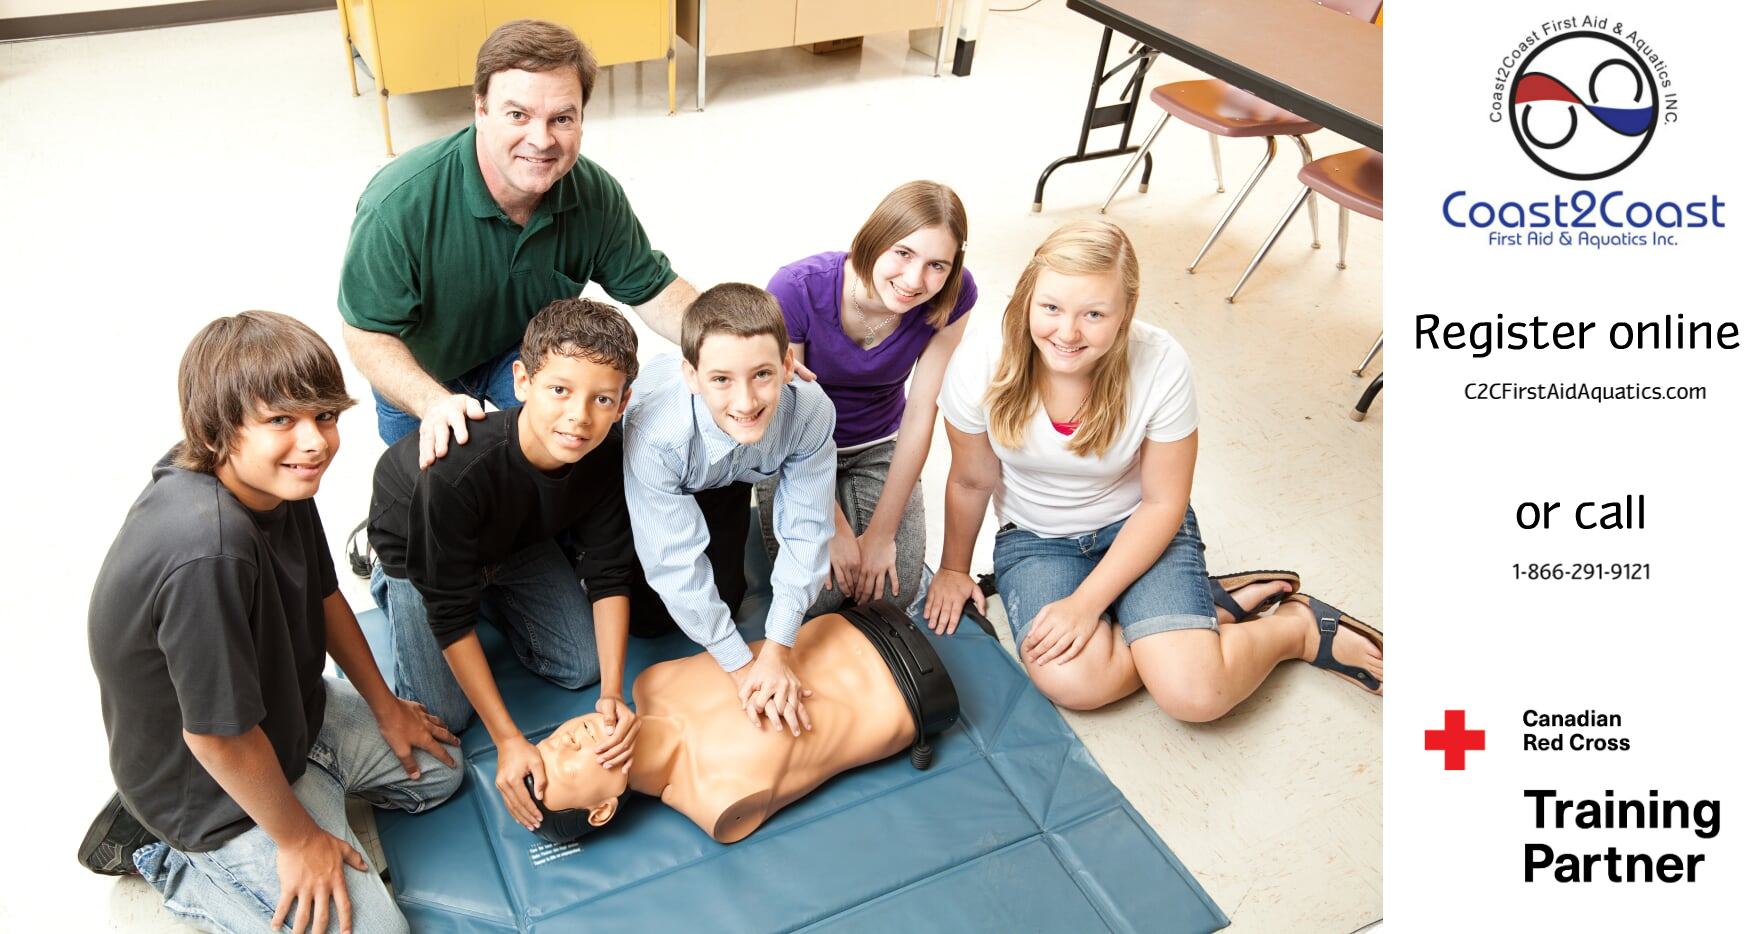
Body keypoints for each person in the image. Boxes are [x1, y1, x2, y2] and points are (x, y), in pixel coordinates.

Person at [82, 312, 462, 934]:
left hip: (285, 713)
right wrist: (299, 840)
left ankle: (306, 783)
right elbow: (216, 739)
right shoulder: (208, 550)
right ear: (216, 430)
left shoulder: (276, 481)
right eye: (281, 420)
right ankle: (167, 855)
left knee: (442, 775)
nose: (313, 442)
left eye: (325, 416)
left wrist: (386, 704)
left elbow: (324, 595)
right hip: (207, 784)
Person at [924, 220, 1384, 722]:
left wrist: (1085, 604)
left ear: (1126, 312)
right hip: (1037, 539)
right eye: (1051, 307)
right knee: (1075, 683)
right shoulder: (982, 360)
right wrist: (952, 568)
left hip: (1139, 525)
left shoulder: (1161, 363)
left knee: (1196, 697)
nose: (1068, 333)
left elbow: (1164, 501)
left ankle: (1295, 629)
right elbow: (971, 479)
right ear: (1028, 298)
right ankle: (1194, 620)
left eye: (1094, 313)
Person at [337, 18, 699, 466]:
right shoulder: (398, 204)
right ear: (480, 111)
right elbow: (366, 331)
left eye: (561, 118)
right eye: (518, 114)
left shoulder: (594, 194)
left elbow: (654, 288)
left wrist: (735, 339)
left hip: (520, 353)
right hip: (419, 369)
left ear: (582, 120)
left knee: (572, 460)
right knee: (429, 490)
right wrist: (431, 401)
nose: (541, 139)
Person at [367, 298, 642, 832]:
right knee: (447, 716)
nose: (579, 417)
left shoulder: (606, 450)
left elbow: (608, 570)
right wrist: (509, 740)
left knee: (583, 666)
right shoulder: (457, 472)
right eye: (559, 390)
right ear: (522, 382)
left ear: (623, 402)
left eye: (601, 399)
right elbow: (449, 615)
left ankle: (492, 586)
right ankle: (384, 573)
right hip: (418, 543)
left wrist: (613, 691)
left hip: (515, 541)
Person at [531, 603, 953, 844]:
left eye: (550, 740)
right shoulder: (716, 799)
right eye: (563, 766)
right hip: (910, 692)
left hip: (858, 619)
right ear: (601, 810)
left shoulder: (654, 682)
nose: (565, 738)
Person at [622, 283, 837, 738]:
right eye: (721, 378)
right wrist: (743, 670)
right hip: (660, 470)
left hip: (733, 469)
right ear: (693, 376)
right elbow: (674, 565)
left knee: (730, 595)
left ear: (786, 365)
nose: (745, 401)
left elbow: (807, 529)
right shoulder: (655, 435)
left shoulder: (811, 410)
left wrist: (777, 652)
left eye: (762, 374)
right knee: (647, 619)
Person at [757, 181, 977, 615]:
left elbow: (919, 415)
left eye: (937, 264)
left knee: (890, 595)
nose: (915, 281)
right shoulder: (796, 288)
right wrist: (832, 526)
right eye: (903, 253)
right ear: (873, 240)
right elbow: (787, 414)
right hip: (794, 445)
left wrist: (880, 535)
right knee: (820, 595)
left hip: (878, 442)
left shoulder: (954, 295)